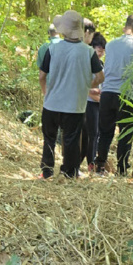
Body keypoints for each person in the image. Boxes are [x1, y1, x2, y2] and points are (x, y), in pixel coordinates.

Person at [38, 10, 104, 179]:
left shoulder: (52, 49)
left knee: (49, 139)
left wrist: (46, 92)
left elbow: (42, 75)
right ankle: (69, 172)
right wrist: (86, 85)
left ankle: (47, 171)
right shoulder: (88, 52)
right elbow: (100, 77)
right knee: (72, 140)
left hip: (52, 103)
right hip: (74, 105)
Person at [95, 15, 133, 176]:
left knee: (105, 132)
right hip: (127, 95)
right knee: (125, 134)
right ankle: (122, 169)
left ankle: (100, 166)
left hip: (107, 93)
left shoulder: (111, 44)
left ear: (124, 27)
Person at [81, 32, 106, 170]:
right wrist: (95, 94)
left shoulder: (101, 64)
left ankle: (92, 161)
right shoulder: (87, 62)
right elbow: (84, 86)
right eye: (98, 48)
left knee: (96, 134)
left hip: (98, 103)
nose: (101, 51)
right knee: (91, 134)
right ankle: (91, 162)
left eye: (103, 49)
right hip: (88, 102)